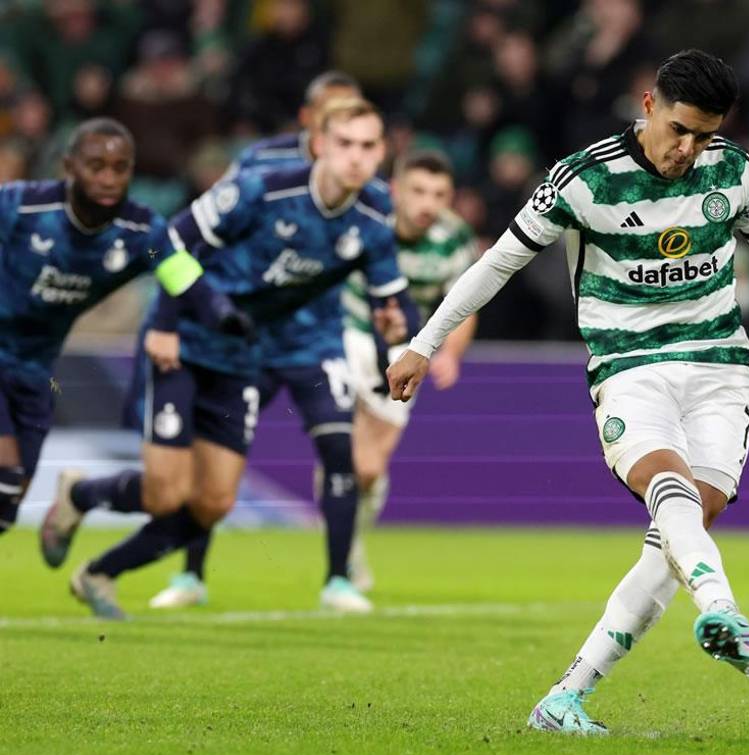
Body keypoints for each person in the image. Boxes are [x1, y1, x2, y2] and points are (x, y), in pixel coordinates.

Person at [385, 49, 749, 735]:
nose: (690, 149)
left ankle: (565, 697)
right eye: (681, 129)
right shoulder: (583, 179)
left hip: (720, 365)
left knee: (676, 537)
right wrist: (426, 341)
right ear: (649, 104)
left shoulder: (734, 171)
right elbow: (499, 260)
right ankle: (720, 605)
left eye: (706, 135)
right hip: (629, 362)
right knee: (668, 484)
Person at [44, 99, 410, 620]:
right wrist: (166, 324)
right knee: (165, 494)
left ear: (382, 152)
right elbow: (167, 242)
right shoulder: (262, 188)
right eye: (345, 144)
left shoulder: (373, 214)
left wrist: (393, 327)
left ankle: (100, 570)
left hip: (243, 355)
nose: (356, 157)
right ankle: (81, 495)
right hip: (187, 343)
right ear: (321, 145)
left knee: (213, 503)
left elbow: (389, 297)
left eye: (368, 146)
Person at [145, 70, 372, 611]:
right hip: (247, 339)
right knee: (215, 461)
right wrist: (179, 316)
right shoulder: (259, 166)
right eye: (333, 114)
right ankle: (191, 574)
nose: (347, 130)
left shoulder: (363, 180)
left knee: (339, 446)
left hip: (315, 338)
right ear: (310, 121)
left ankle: (339, 579)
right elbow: (201, 239)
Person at [0, 118, 234, 537]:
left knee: (8, 503)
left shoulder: (139, 231)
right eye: (96, 166)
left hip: (34, 370)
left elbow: (179, 273)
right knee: (4, 474)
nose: (109, 177)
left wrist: (222, 313)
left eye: (120, 167)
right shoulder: (20, 207)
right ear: (70, 167)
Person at [342, 149, 478, 592]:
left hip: (403, 350)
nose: (427, 203)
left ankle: (350, 546)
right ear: (396, 190)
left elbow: (464, 303)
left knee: (367, 469)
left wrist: (450, 354)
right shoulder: (365, 215)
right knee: (343, 446)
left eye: (439, 194)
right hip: (347, 329)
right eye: (418, 191)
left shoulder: (455, 237)